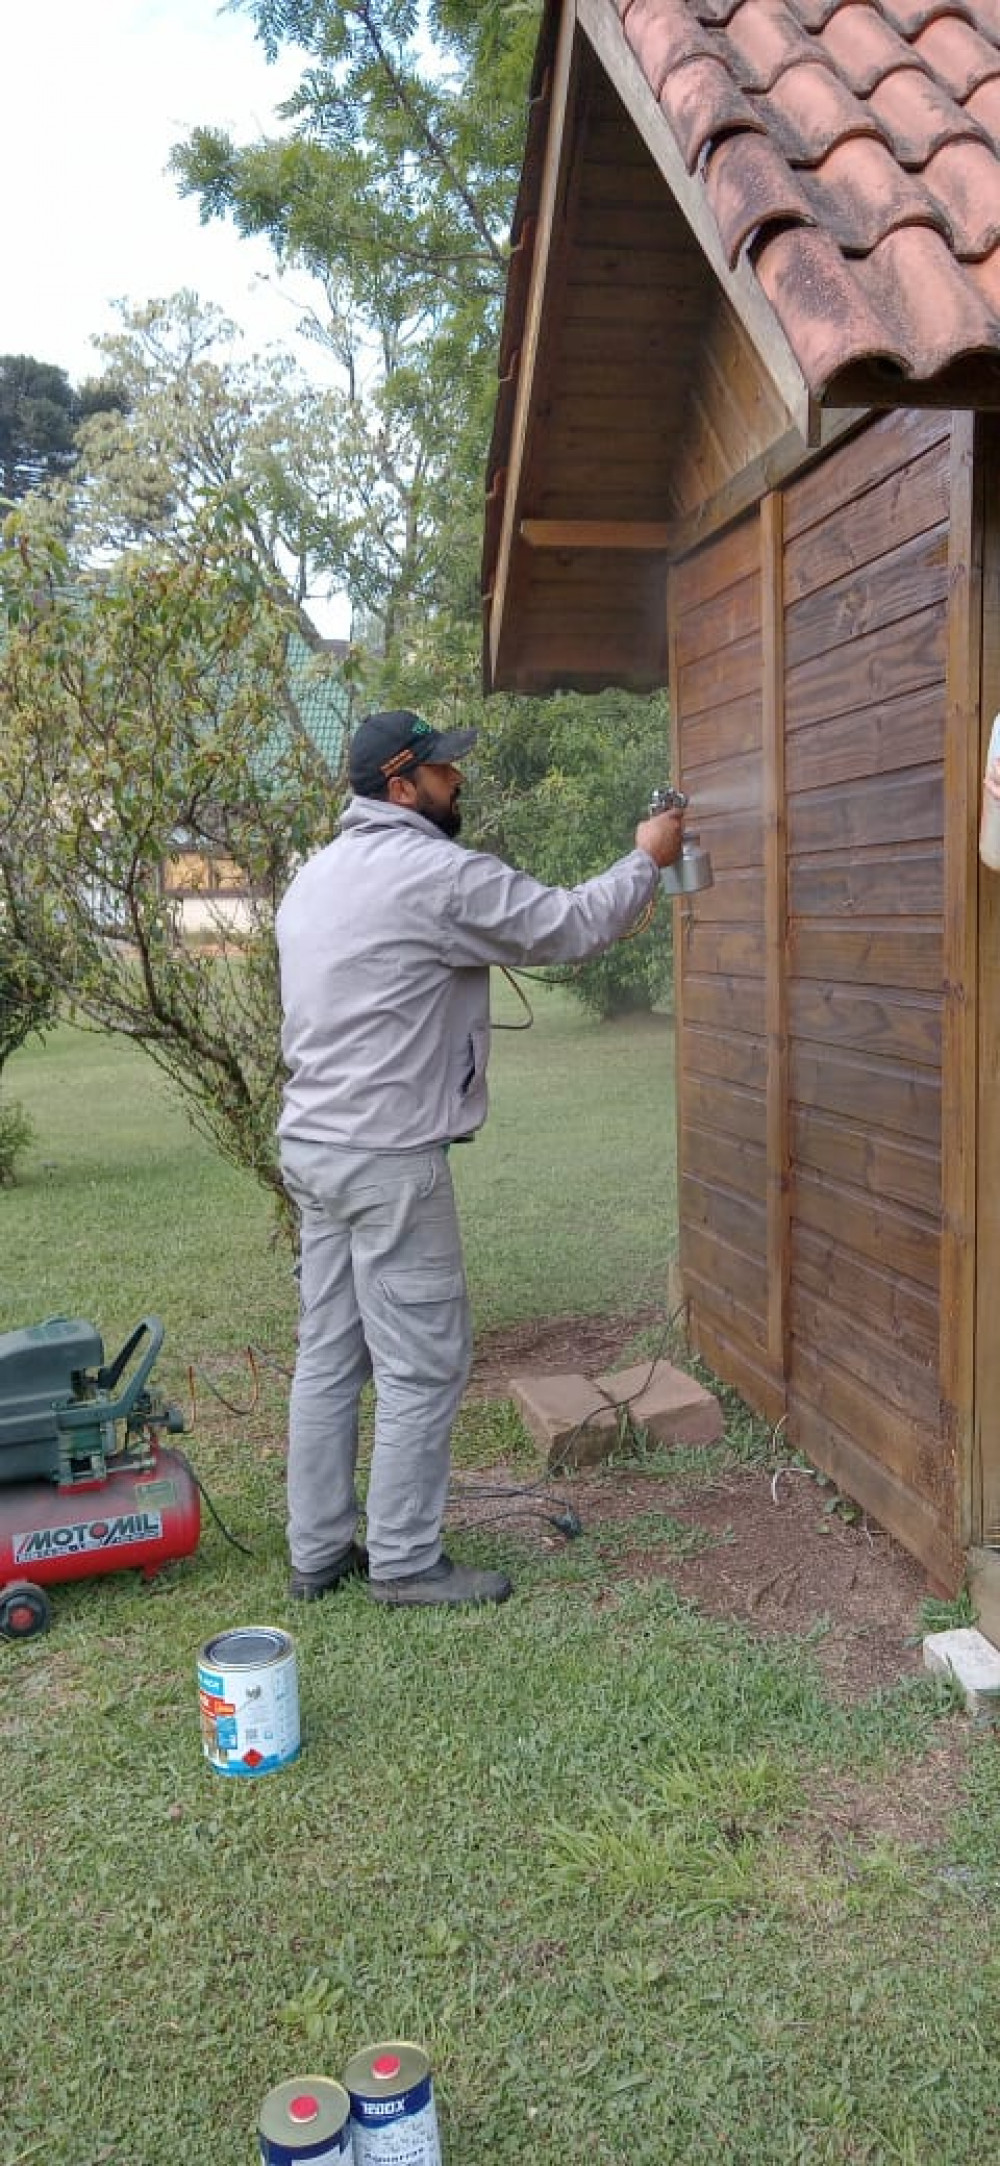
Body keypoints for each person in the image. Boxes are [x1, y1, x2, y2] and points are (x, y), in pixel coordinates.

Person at [276, 708, 684, 1610]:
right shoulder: (434, 875)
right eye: (445, 772)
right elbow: (570, 926)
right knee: (422, 1363)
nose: (460, 782)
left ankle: (318, 1553)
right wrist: (647, 857)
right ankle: (407, 1562)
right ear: (401, 784)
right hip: (388, 1159)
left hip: (312, 1147)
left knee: (330, 1355)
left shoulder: (314, 876)